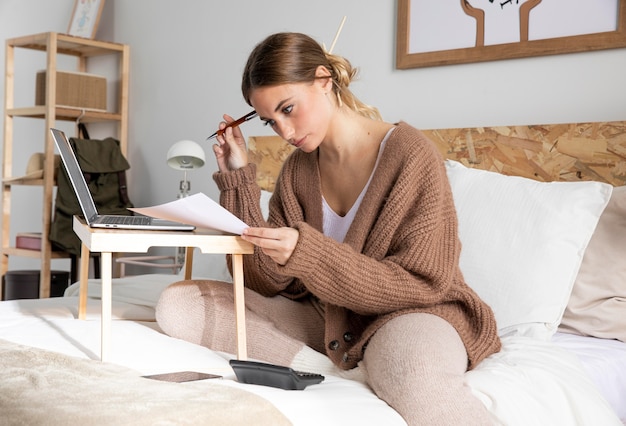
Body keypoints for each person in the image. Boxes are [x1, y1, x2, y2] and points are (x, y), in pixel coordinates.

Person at [156, 32, 501, 425]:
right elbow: (264, 284)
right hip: (326, 315)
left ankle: (346, 363)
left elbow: (425, 282)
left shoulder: (411, 154)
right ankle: (332, 368)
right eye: (271, 121)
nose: (284, 132)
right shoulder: (297, 170)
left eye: (288, 109)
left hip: (411, 312)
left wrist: (309, 254)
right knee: (179, 304)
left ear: (324, 80)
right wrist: (239, 182)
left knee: (410, 372)